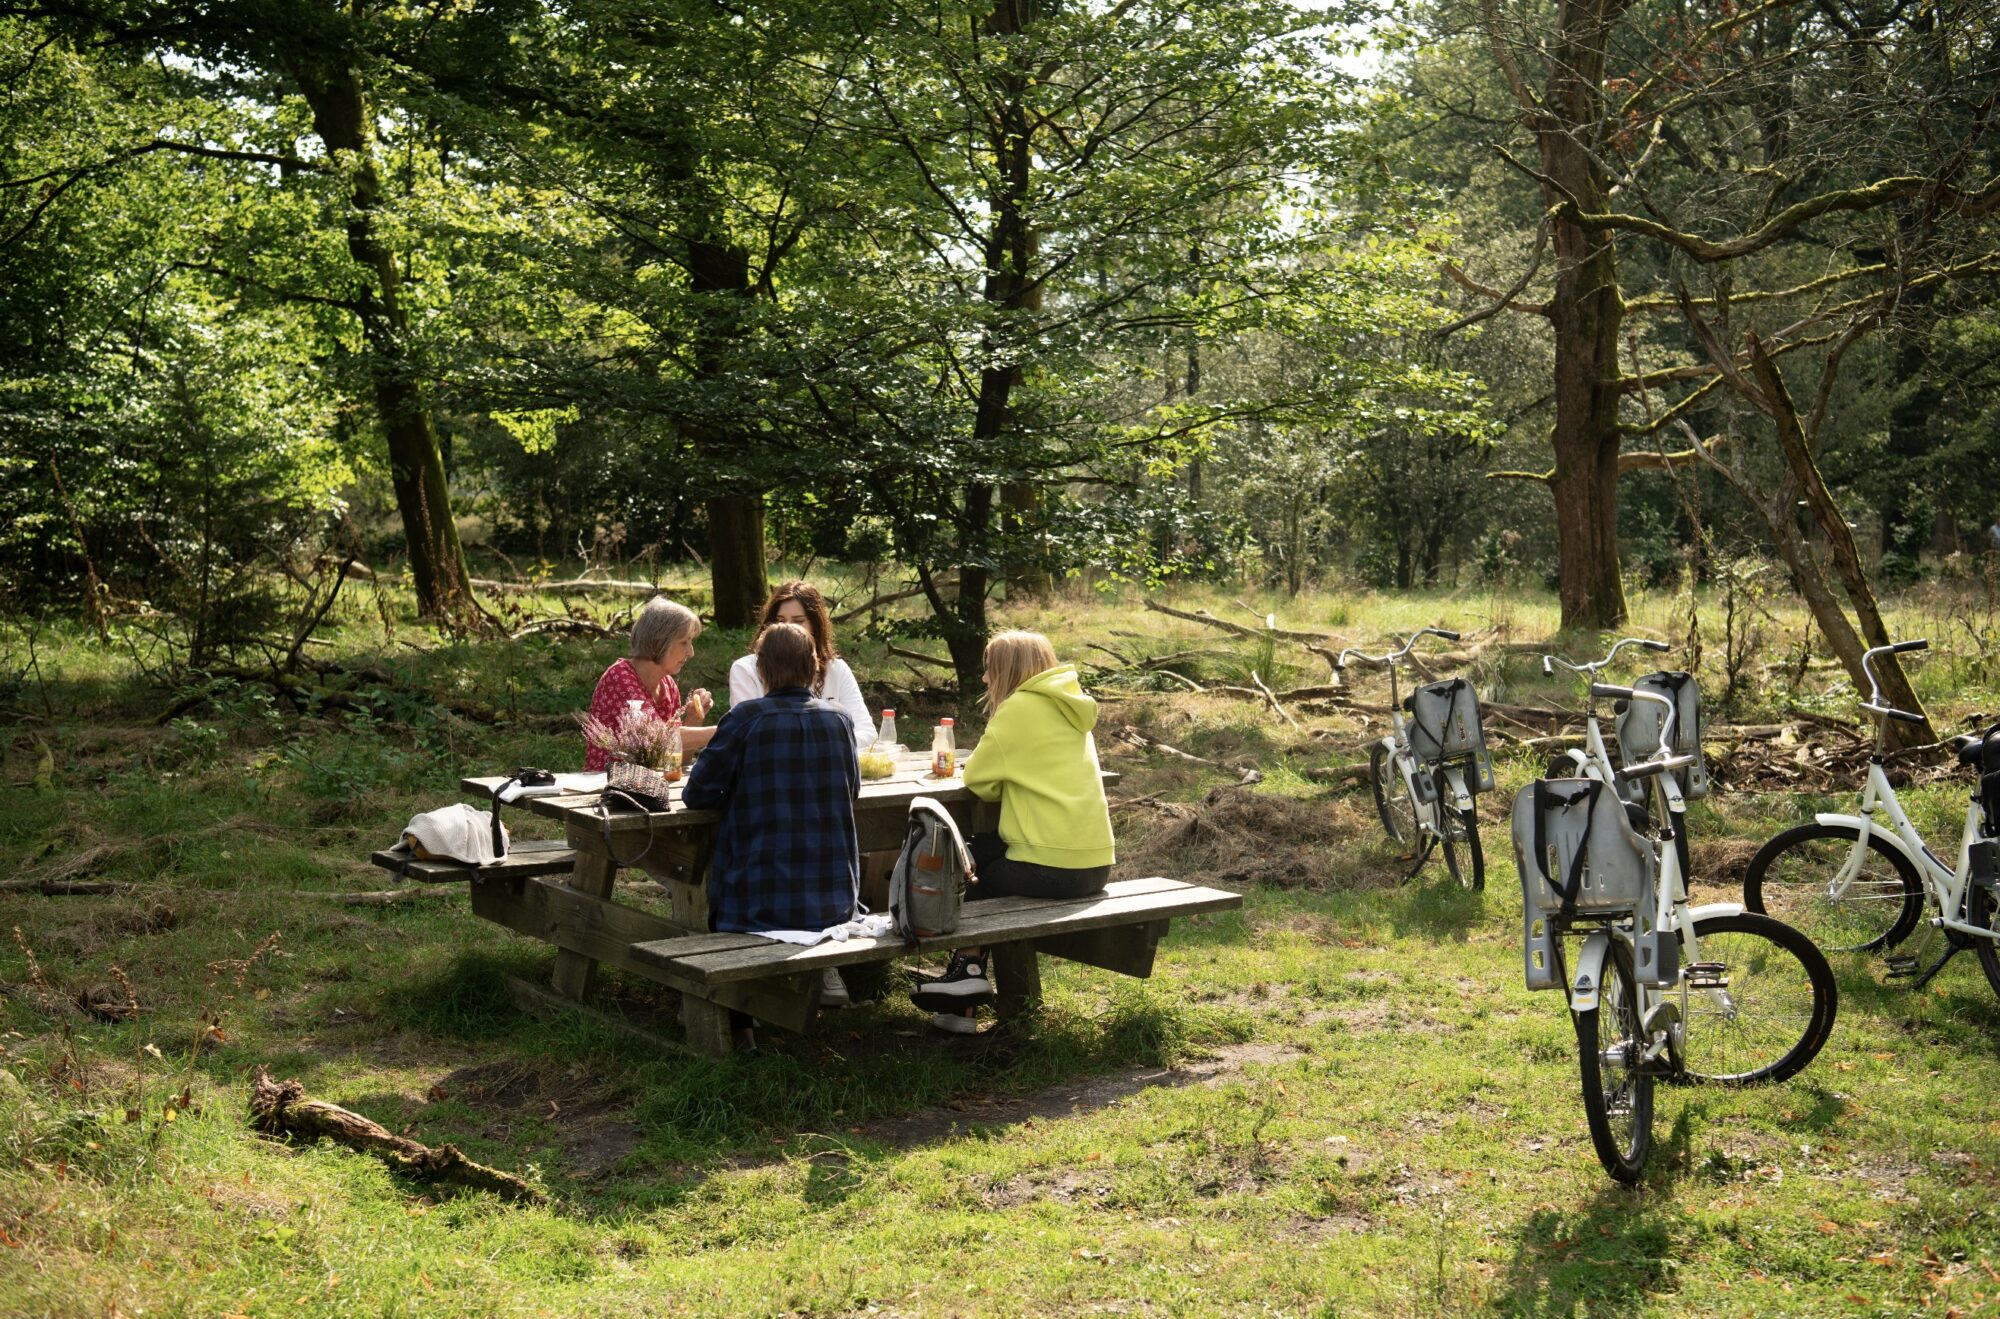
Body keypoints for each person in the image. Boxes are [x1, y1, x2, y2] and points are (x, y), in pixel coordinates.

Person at [916, 630, 1114, 1034]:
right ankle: (960, 1001)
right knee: (978, 852)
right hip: (1094, 864)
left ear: (1007, 670)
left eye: (990, 670)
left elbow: (979, 779)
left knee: (971, 876)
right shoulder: (1069, 705)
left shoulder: (1019, 708)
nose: (986, 680)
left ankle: (966, 976)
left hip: (1051, 867)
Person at [683, 622, 861, 1042]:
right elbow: (851, 789)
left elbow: (697, 794)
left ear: (761, 670)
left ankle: (741, 1022)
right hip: (833, 901)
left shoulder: (746, 719)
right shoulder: (839, 720)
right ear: (813, 667)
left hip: (757, 902)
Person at [728, 581, 875, 748]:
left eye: (798, 621)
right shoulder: (746, 669)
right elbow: (748, 734)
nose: (788, 628)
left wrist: (813, 751)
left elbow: (867, 733)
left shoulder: (837, 669)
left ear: (815, 625)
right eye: (780, 621)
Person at [582, 596, 715, 772]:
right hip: (606, 787)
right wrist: (726, 731)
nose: (691, 652)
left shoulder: (668, 685)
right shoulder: (620, 677)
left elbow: (676, 762)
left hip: (647, 787)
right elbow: (659, 739)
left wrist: (693, 718)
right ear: (659, 641)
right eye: (684, 642)